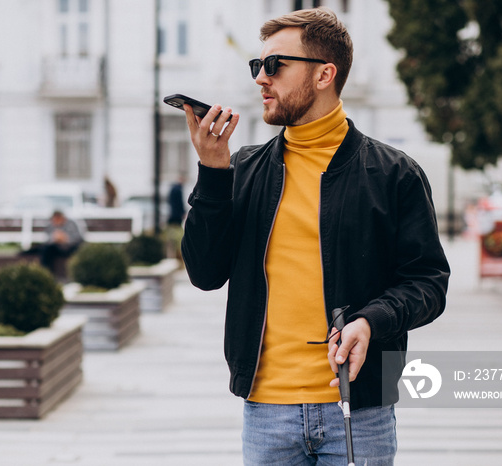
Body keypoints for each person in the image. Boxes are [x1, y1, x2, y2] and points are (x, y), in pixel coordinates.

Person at [179, 7, 450, 465]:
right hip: (266, 408)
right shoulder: (243, 169)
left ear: (325, 73)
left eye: (275, 66)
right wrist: (212, 171)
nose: (261, 79)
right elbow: (204, 273)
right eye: (257, 66)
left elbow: (428, 283)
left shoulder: (393, 174)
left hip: (362, 407)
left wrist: (370, 320)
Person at [39, 210, 83, 274]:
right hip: (57, 247)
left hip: (71, 247)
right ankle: (46, 272)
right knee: (46, 250)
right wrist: (54, 239)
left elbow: (79, 237)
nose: (56, 221)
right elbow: (46, 240)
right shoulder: (50, 225)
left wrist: (66, 239)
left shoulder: (72, 224)